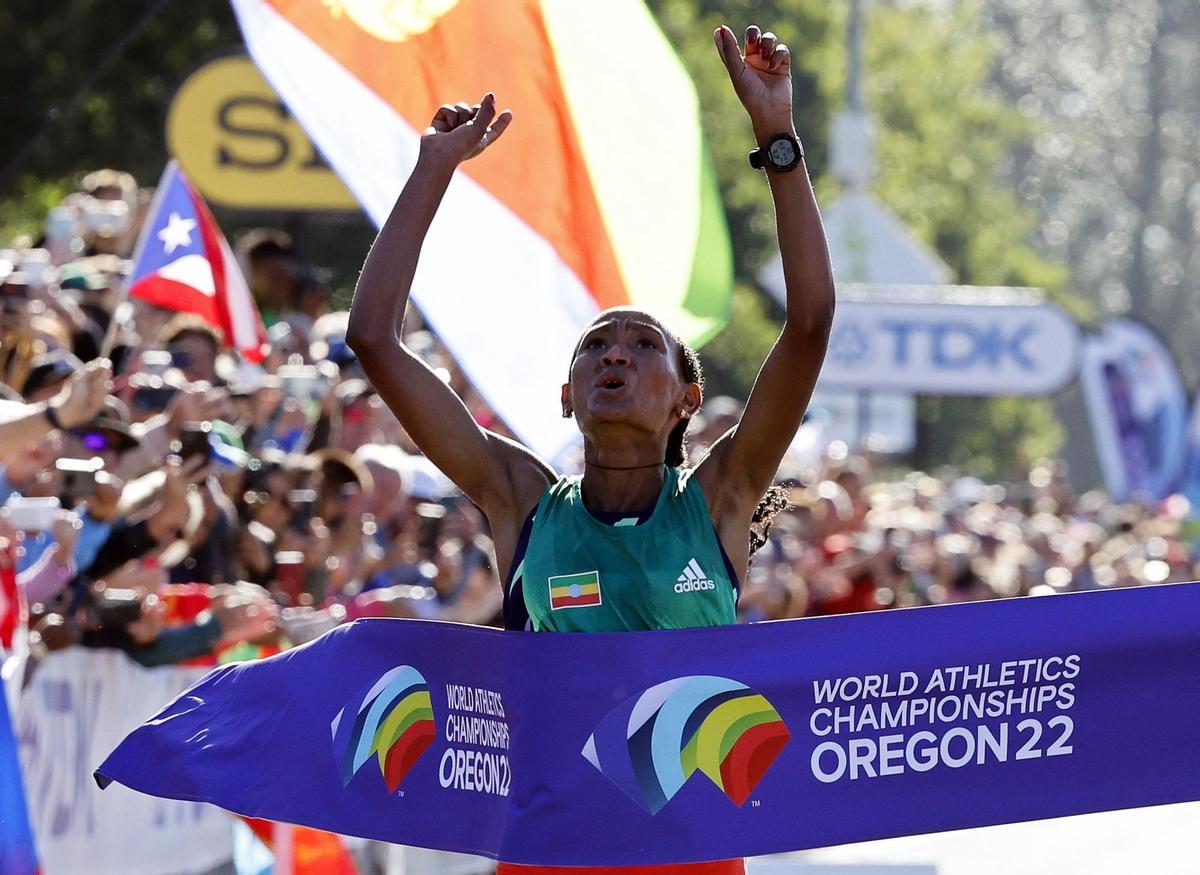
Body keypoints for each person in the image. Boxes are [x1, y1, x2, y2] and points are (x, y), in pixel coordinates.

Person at [348, 23, 834, 874]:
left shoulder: (717, 499)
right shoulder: (521, 501)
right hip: (549, 852)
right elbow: (375, 339)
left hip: (691, 854)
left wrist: (777, 143)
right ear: (566, 396)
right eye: (596, 346)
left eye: (643, 346)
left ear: (687, 401)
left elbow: (808, 324)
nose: (615, 352)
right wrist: (430, 171)